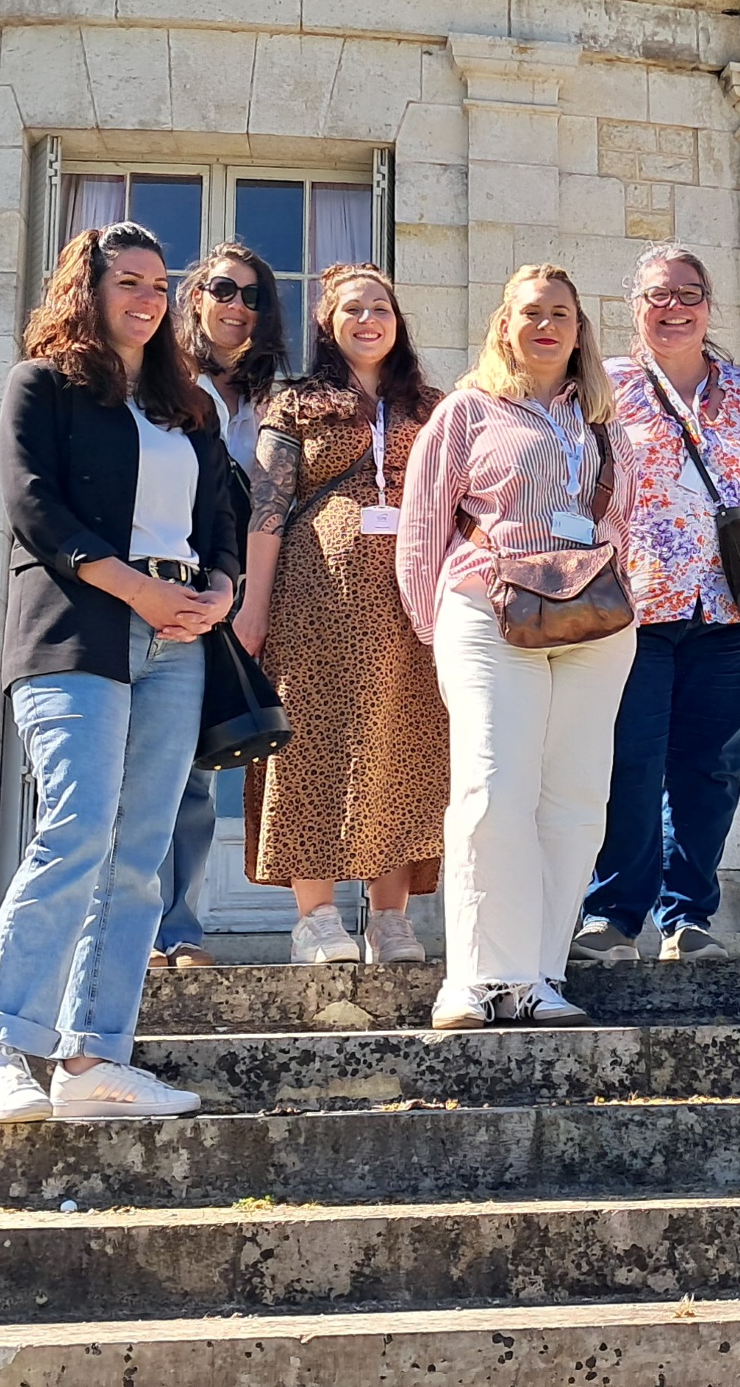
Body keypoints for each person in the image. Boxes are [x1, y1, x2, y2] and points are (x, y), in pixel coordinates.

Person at [0, 221, 239, 1123]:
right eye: (130, 281)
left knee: (138, 858)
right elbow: (32, 503)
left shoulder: (185, 404)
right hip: (78, 629)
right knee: (75, 833)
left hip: (181, 642)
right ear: (88, 287)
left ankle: (93, 1063)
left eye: (161, 285)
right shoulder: (40, 385)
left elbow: (220, 514)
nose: (148, 299)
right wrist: (132, 589)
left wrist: (222, 592)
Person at [397, 265, 641, 1029]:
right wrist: (436, 635)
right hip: (487, 609)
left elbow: (621, 523)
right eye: (531, 312)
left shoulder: (603, 422)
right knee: (492, 792)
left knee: (572, 802)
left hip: (594, 628)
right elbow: (419, 532)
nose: (546, 326)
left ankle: (538, 975)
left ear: (579, 331)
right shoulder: (466, 413)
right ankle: (473, 979)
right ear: (505, 325)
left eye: (561, 314)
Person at [572, 244, 740, 967]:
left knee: (712, 766)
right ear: (634, 307)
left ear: (709, 305)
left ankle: (688, 915)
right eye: (656, 296)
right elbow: (571, 487)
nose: (672, 308)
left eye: (686, 294)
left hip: (735, 608)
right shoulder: (602, 388)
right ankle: (612, 914)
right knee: (629, 762)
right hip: (634, 603)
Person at [234, 264, 450, 966]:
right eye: (352, 309)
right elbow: (267, 510)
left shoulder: (434, 406)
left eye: (380, 307)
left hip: (409, 606)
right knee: (314, 747)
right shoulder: (296, 404)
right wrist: (252, 610)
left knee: (406, 744)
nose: (368, 319)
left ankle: (389, 919)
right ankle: (317, 918)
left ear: (398, 319)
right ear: (327, 323)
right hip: (314, 603)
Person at [153, 241, 286, 969]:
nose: (240, 307)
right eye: (226, 290)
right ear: (196, 297)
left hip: (240, 596)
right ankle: (149, 933)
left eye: (256, 297)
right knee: (160, 764)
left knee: (202, 767)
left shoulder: (270, 402)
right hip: (177, 586)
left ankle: (178, 927)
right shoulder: (167, 385)